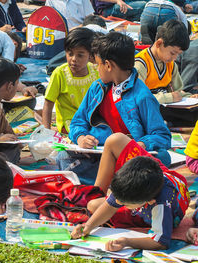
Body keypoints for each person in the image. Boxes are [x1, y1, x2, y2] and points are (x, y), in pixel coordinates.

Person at [57, 32, 172, 185]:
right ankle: (119, 183)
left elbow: (162, 136)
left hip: (129, 160)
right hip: (99, 155)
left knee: (161, 158)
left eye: (98, 64)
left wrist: (142, 144)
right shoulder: (97, 88)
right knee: (62, 156)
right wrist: (81, 138)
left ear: (109, 65)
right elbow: (78, 122)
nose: (97, 69)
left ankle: (112, 182)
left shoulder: (142, 96)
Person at [71, 133, 189, 251]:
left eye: (125, 204)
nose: (116, 202)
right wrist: (88, 226)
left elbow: (160, 242)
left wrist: (127, 242)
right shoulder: (144, 179)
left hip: (166, 209)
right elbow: (112, 204)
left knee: (94, 205)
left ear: (149, 201)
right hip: (161, 177)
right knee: (116, 139)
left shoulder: (160, 205)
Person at [135, 20, 198, 126]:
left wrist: (189, 97)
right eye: (173, 53)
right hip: (150, 106)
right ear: (159, 43)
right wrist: (169, 98)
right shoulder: (141, 64)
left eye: (178, 54)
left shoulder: (170, 63)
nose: (175, 58)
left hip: (168, 105)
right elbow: (138, 98)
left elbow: (178, 91)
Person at [42, 28, 99, 134]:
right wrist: (46, 131)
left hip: (91, 120)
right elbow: (48, 104)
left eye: (80, 55)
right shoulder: (60, 73)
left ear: (90, 56)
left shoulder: (96, 71)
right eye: (70, 53)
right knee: (81, 135)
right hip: (69, 122)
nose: (73, 59)